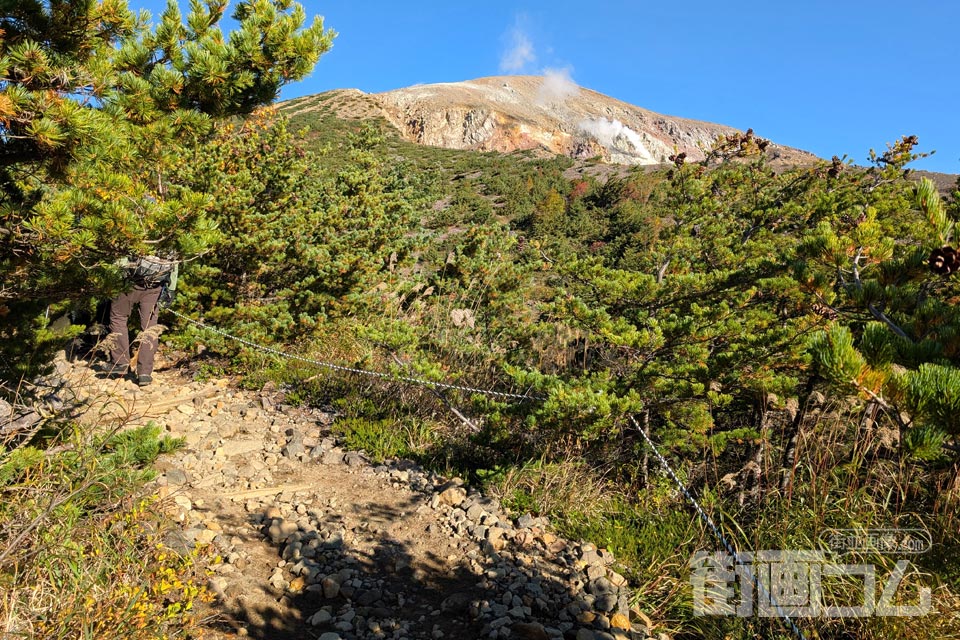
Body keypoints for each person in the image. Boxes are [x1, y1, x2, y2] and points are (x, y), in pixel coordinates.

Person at [97, 255, 177, 387]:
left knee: (118, 318)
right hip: (156, 285)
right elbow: (176, 262)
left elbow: (123, 254)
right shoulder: (173, 236)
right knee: (150, 327)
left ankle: (120, 362)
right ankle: (145, 373)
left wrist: (114, 277)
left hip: (130, 282)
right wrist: (171, 289)